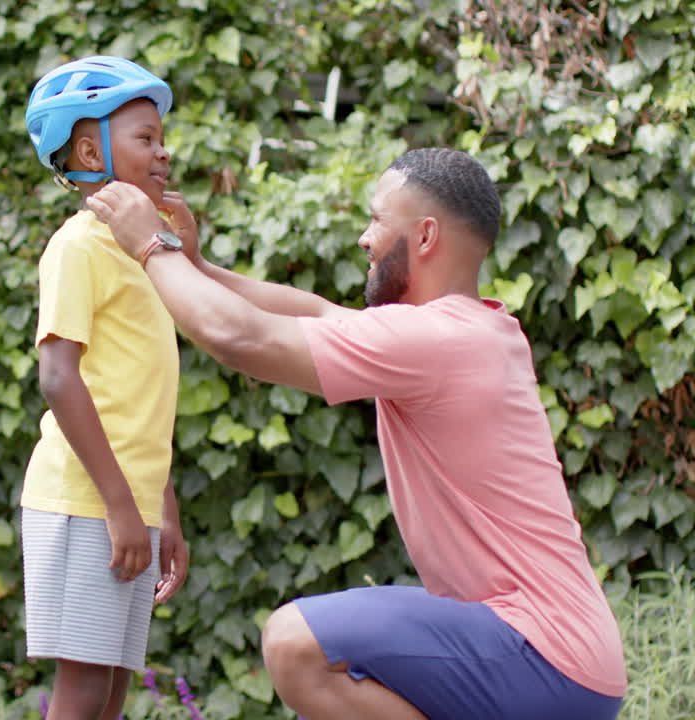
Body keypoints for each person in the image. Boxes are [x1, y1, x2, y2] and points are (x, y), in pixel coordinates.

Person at [85, 147, 626, 720]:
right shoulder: (464, 332)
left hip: (541, 653)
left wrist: (150, 245)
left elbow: (239, 337)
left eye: (376, 220)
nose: (365, 239)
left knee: (296, 643)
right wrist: (195, 267)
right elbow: (314, 313)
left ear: (424, 237)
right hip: (557, 656)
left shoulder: (437, 341)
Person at [19, 56, 190, 720]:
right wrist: (122, 507)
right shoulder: (79, 247)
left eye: (160, 137)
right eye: (145, 137)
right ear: (91, 149)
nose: (163, 149)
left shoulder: (140, 252)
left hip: (127, 501)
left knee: (111, 695)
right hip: (85, 501)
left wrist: (160, 507)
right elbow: (58, 377)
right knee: (84, 692)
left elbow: (141, 402)